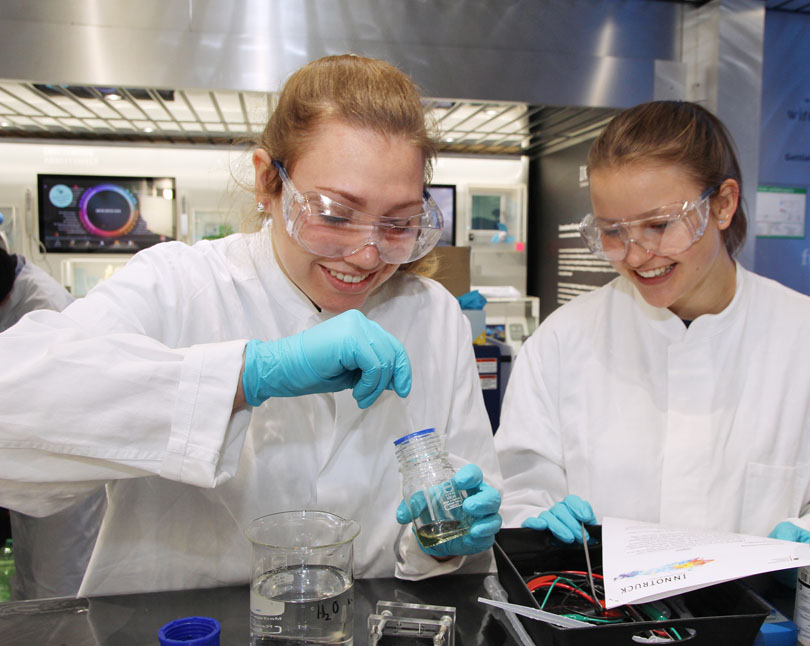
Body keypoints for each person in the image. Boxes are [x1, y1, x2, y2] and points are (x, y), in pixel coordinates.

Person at [0, 54, 502, 597]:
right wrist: (246, 376)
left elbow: (464, 491)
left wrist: (439, 542)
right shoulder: (180, 285)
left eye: (399, 222)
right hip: (173, 627)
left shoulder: (433, 314)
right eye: (334, 213)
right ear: (269, 181)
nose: (366, 253)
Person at [493, 101, 810, 603]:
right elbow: (521, 488)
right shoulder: (563, 341)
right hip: (603, 628)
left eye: (660, 225)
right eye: (613, 232)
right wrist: (533, 524)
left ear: (723, 204)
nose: (637, 255)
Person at [0, 247, 107, 599]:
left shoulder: (45, 306)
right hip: (27, 465)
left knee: (58, 588)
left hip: (64, 470)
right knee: (28, 578)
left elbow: (56, 406)